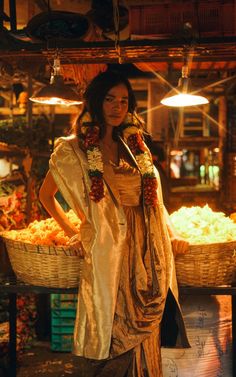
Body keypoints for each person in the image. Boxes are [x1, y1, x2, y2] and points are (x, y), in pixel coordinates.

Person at [39, 70, 190, 377]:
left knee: (147, 337)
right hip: (109, 252)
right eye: (109, 99)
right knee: (111, 332)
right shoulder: (74, 149)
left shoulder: (135, 149)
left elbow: (156, 203)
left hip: (148, 253)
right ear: (96, 101)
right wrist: (77, 233)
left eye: (123, 101)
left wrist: (172, 235)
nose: (117, 107)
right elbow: (45, 196)